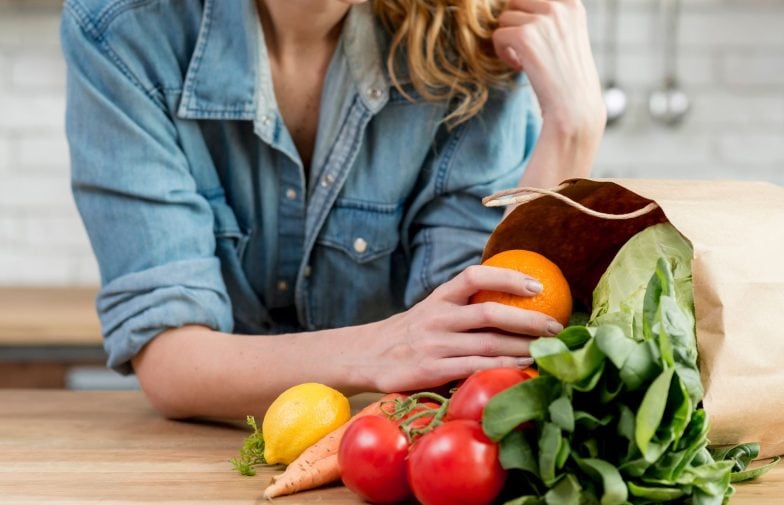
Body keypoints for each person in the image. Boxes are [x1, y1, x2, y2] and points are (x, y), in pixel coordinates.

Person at [61, 0, 605, 420]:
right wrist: (376, 350)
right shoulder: (123, 28)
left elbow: (474, 343)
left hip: (387, 455)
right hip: (200, 455)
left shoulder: (467, 35)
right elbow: (170, 360)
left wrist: (571, 130)